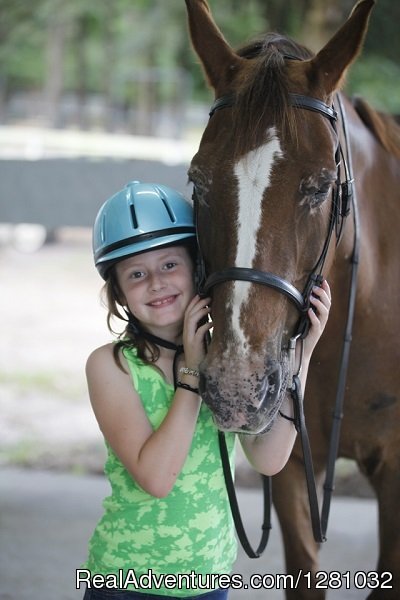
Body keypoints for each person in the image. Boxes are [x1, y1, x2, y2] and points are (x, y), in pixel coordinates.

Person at [80, 181, 331, 600]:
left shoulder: (225, 357)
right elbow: (157, 478)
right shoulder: (111, 365)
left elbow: (268, 459)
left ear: (197, 269)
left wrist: (299, 357)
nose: (157, 283)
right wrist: (193, 373)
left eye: (169, 265)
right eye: (136, 274)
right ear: (119, 292)